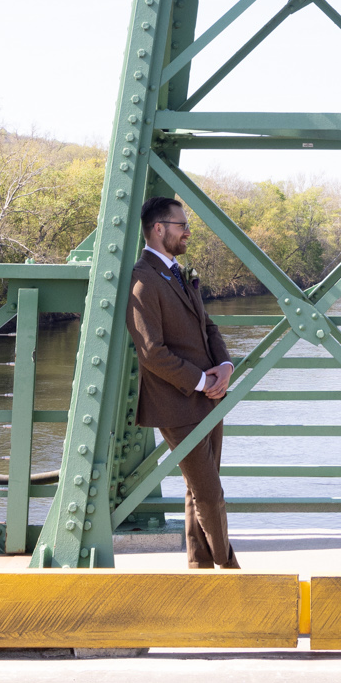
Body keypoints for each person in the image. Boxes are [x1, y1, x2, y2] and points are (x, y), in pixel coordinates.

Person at [126, 196, 240, 569]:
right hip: (177, 403)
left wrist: (224, 365)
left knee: (198, 489)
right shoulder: (143, 278)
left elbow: (208, 325)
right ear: (159, 229)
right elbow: (151, 351)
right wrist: (198, 381)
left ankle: (200, 565)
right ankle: (230, 568)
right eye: (181, 225)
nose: (188, 231)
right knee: (210, 492)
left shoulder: (179, 271)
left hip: (210, 395)